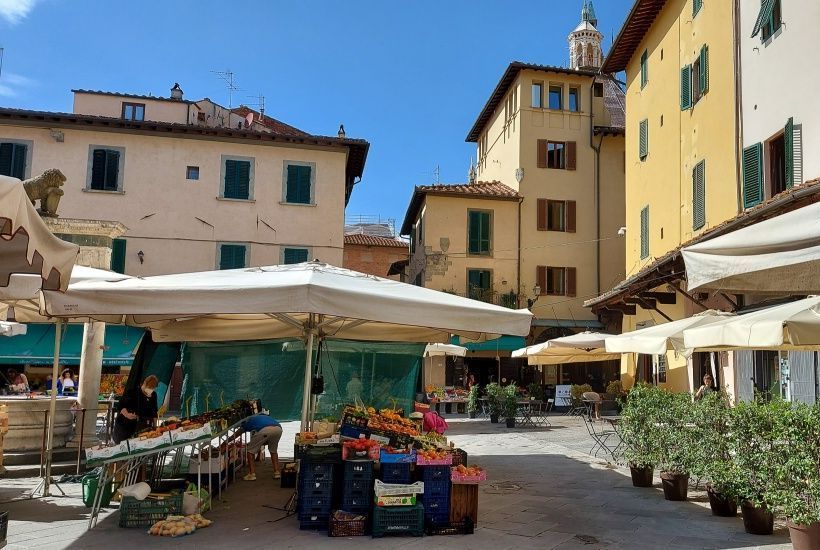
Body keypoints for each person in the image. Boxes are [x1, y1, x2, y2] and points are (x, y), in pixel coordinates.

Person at [112, 375, 159, 443]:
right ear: (145, 384)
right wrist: (127, 414)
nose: (151, 389)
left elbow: (154, 412)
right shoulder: (133, 392)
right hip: (126, 427)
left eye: (153, 388)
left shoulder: (154, 395)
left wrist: (155, 427)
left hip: (142, 429)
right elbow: (121, 405)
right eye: (149, 387)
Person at [240, 412, 282, 481]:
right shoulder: (265, 417)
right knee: (273, 451)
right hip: (278, 429)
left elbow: (240, 431)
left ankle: (252, 474)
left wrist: (228, 440)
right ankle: (277, 472)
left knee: (250, 451)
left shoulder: (249, 421)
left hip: (264, 430)